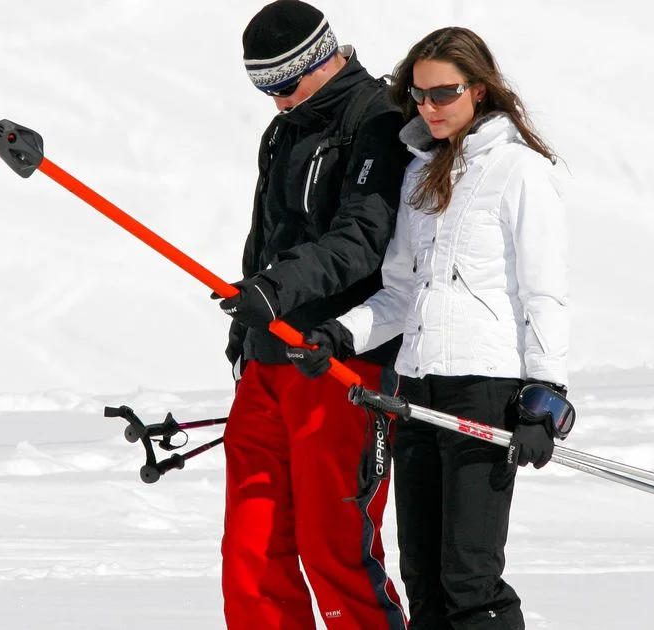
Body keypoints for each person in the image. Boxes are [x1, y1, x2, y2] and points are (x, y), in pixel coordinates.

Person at [289, 27, 570, 629]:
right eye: (417, 96)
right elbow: (400, 293)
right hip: (415, 389)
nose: (429, 108)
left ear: (479, 88)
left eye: (443, 94)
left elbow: (544, 294)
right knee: (422, 578)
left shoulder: (520, 171)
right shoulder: (420, 176)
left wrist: (547, 398)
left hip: (485, 390)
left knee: (469, 579)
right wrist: (339, 335)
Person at [215, 2, 411, 628]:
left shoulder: (379, 122)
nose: (276, 101)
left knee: (334, 550)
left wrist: (277, 291)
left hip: (339, 364)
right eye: (263, 89)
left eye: (283, 84)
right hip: (268, 362)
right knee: (252, 553)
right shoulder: (286, 129)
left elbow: (362, 238)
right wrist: (246, 322)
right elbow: (266, 234)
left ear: (322, 59)